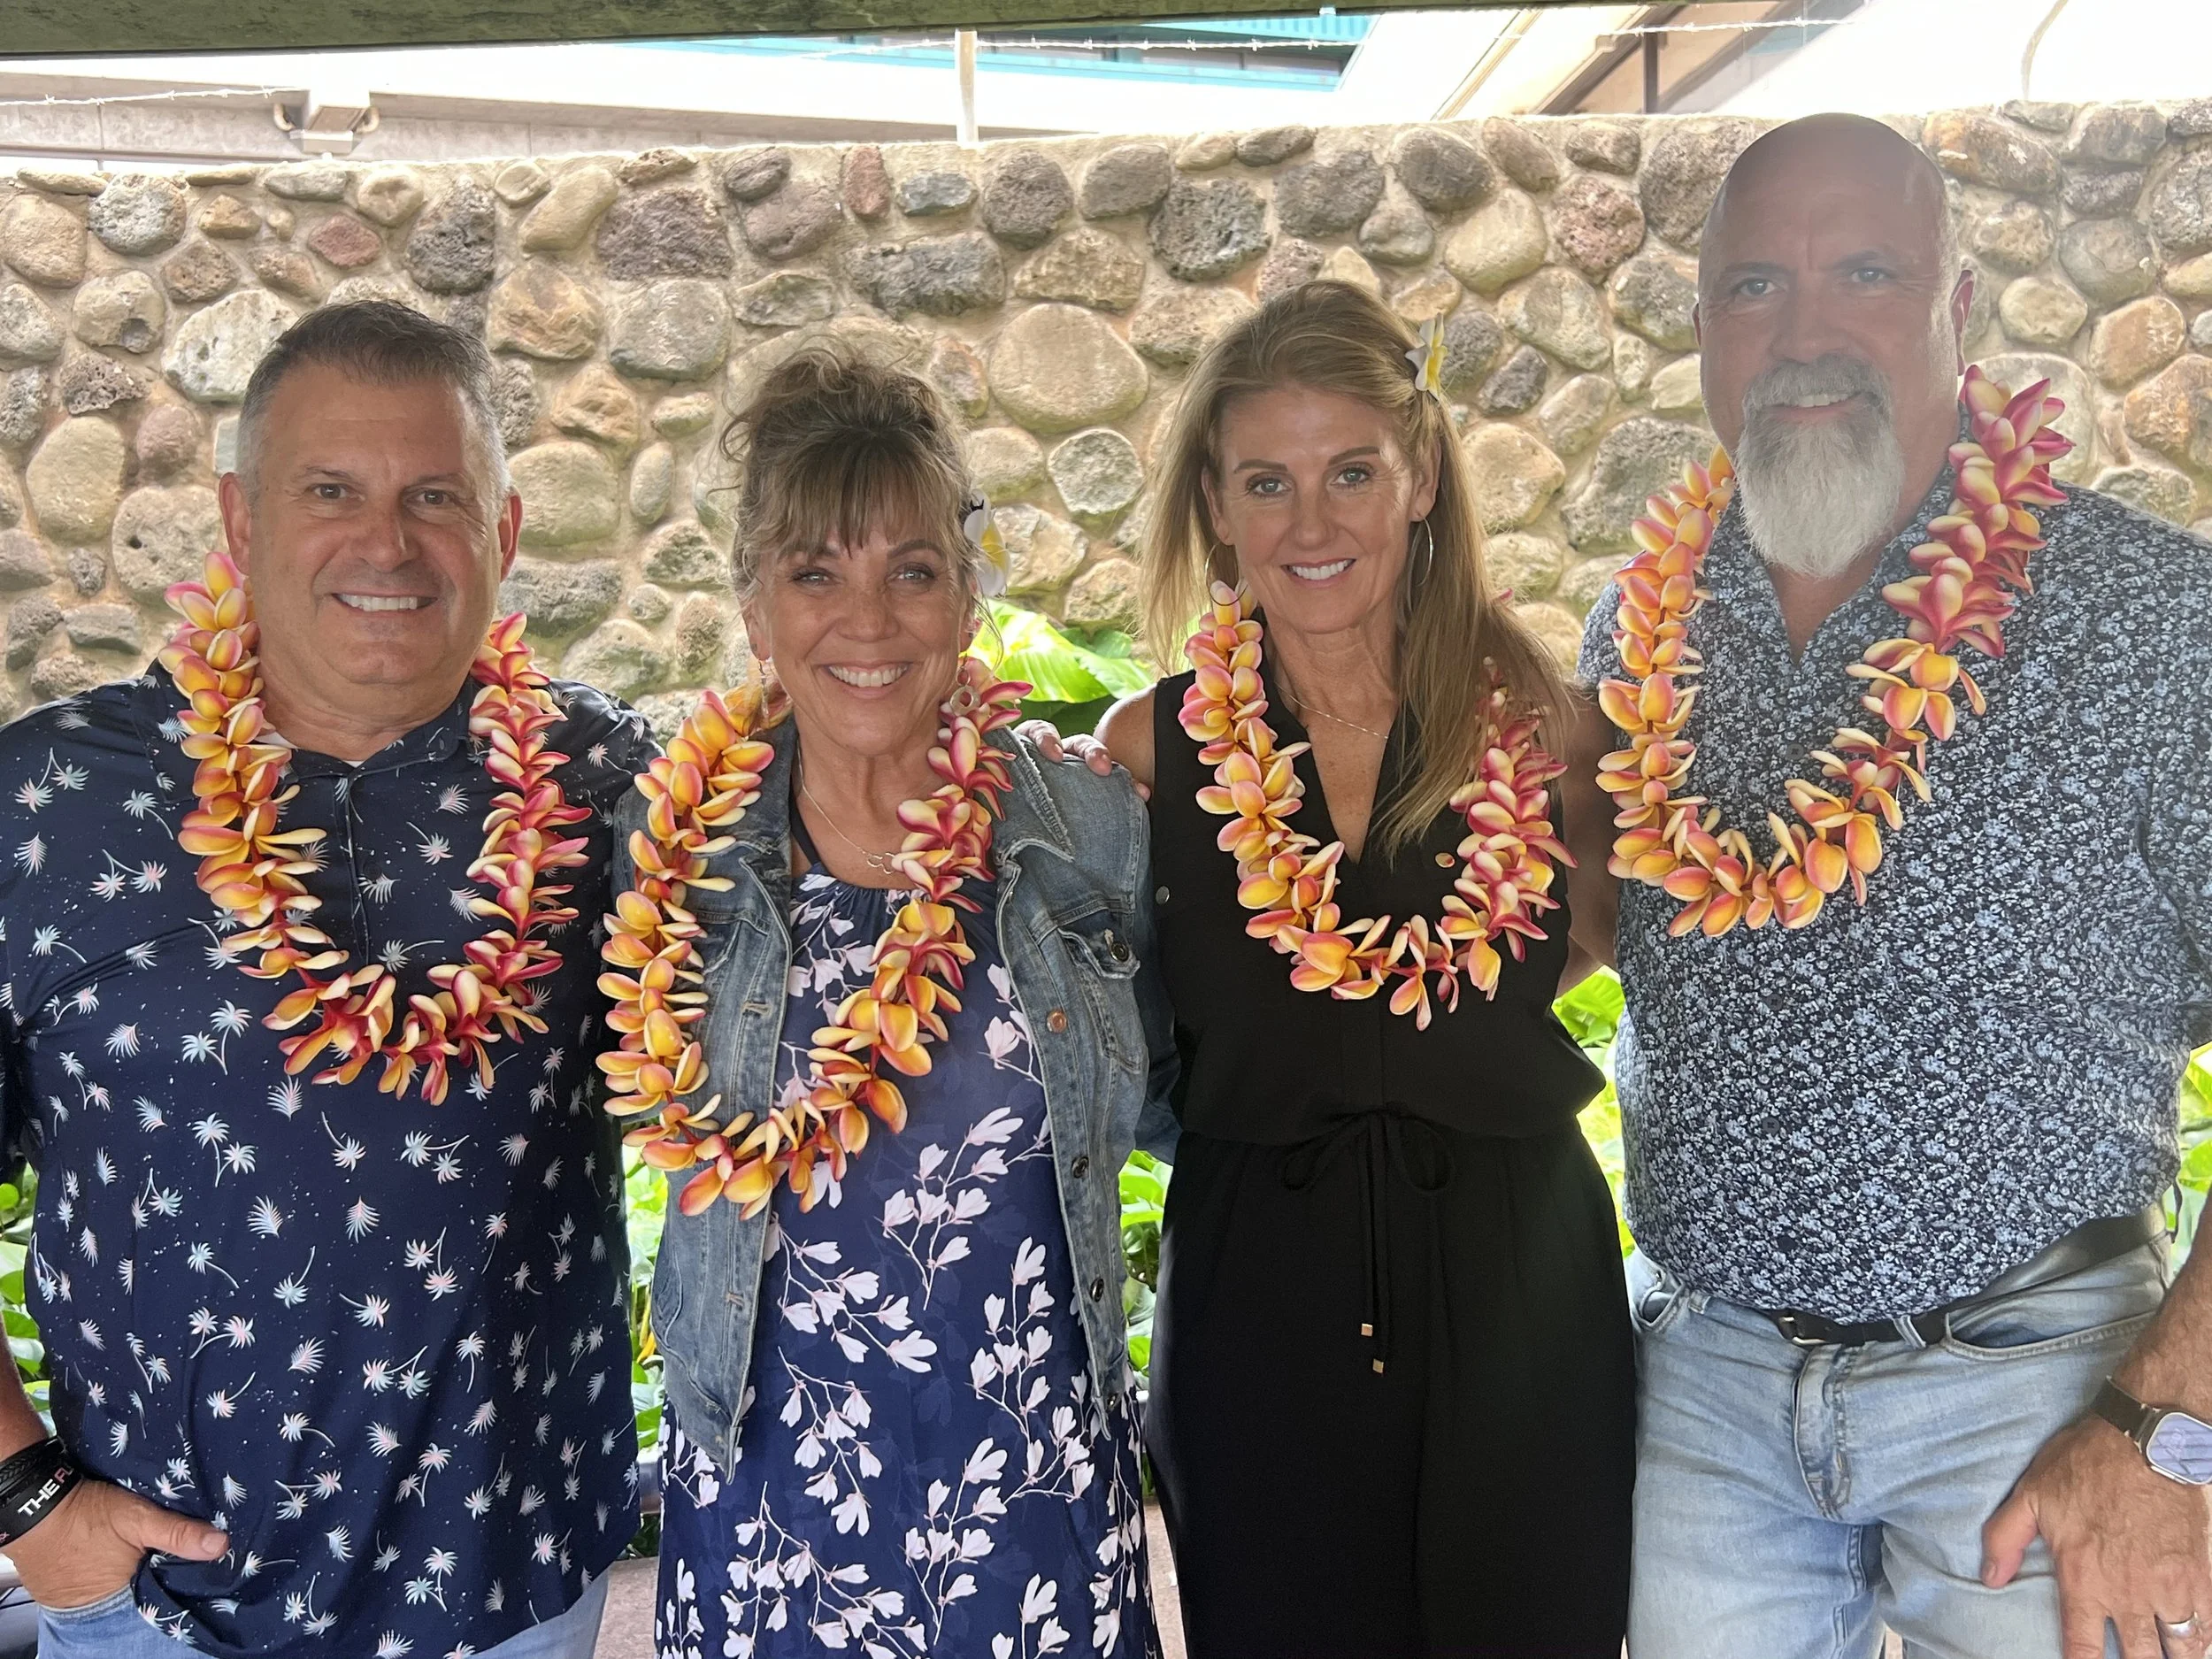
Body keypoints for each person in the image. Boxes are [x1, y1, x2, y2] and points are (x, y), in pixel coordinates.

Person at [1578, 114, 2212, 1659]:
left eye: (1864, 271)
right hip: (1710, 1399)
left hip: (2053, 1382)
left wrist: (2166, 1429)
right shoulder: (1644, 626)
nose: (1805, 334)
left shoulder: (2154, 617)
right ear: (1706, 326)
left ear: (1961, 303)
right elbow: (1593, 924)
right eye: (1754, 287)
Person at [0, 300, 654, 1658]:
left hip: (518, 1588)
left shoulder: (607, 782)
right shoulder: (49, 803)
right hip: (164, 1606)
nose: (387, 543)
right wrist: (26, 1496)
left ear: (505, 534)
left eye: (434, 496)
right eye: (332, 491)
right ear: (240, 522)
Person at [1054, 279, 1632, 1656]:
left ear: (1420, 477)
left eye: (1352, 473)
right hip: (1263, 1313)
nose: (1312, 526)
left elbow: (1648, 945)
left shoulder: (1544, 729)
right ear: (1215, 502)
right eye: (1269, 481)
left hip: (1524, 1308)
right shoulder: (1150, 755)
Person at [621, 349, 1171, 1659]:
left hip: (1033, 1491)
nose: (866, 621)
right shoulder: (680, 859)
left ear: (965, 596)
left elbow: (1196, 1094)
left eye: (910, 571)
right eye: (816, 572)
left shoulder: (1084, 833)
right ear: (756, 608)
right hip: (769, 1510)